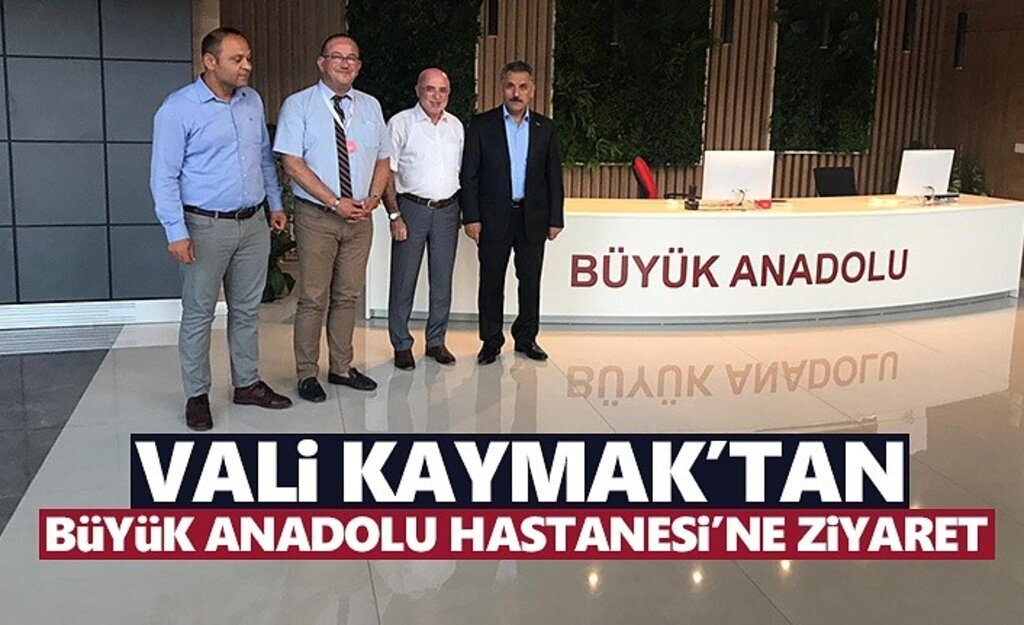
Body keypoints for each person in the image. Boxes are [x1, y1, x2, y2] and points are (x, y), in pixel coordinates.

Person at [151, 27, 292, 431]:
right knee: (199, 314)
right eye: (237, 59)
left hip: (253, 224)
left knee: (247, 310)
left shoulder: (251, 101)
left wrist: (275, 204)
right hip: (204, 226)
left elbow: (264, 158)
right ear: (209, 62)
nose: (247, 66)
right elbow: (164, 176)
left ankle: (246, 384)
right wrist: (175, 231)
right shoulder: (178, 109)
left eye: (248, 58)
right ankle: (197, 395)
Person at [273, 33, 392, 402]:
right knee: (313, 297)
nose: (345, 63)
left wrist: (374, 198)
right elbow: (292, 162)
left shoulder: (370, 106)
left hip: (360, 217)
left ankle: (341, 367)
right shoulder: (299, 105)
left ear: (359, 66)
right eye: (337, 56)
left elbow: (383, 159)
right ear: (321, 63)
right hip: (318, 215)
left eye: (352, 58)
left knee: (347, 295)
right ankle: (307, 373)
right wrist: (334, 201)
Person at [460, 60, 565, 365]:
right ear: (501, 88)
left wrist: (555, 218)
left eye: (522, 87)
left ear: (532, 91)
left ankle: (526, 338)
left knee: (530, 281)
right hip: (493, 217)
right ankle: (491, 341)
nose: (516, 93)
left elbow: (553, 177)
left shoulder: (546, 128)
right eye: (510, 86)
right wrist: (471, 217)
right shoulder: (482, 125)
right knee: (491, 281)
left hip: (533, 218)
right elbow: (470, 175)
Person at [384, 68, 463, 370]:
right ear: (418, 90)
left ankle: (436, 341)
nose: (437, 96)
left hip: (448, 211)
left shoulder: (456, 126)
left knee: (442, 280)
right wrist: (395, 215)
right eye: (430, 89)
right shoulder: (401, 123)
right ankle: (401, 344)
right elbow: (387, 172)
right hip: (411, 209)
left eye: (443, 90)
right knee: (404, 280)